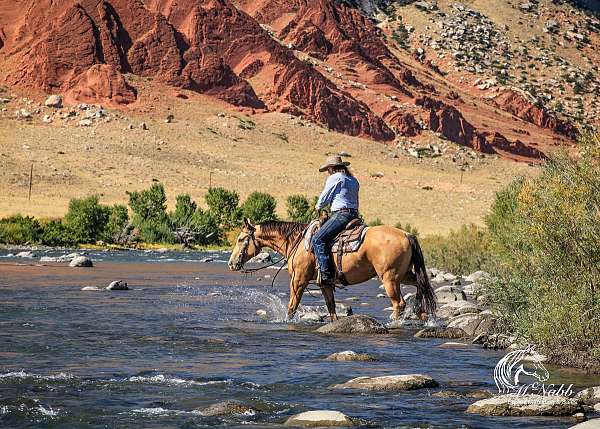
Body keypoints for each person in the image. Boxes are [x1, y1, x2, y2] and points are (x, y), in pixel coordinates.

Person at [312, 155, 360, 286]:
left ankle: (327, 275)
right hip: (355, 216)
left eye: (328, 169)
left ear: (332, 168)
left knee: (317, 239)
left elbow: (325, 197)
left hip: (341, 215)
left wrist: (318, 207)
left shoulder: (335, 177)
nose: (328, 172)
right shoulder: (353, 180)